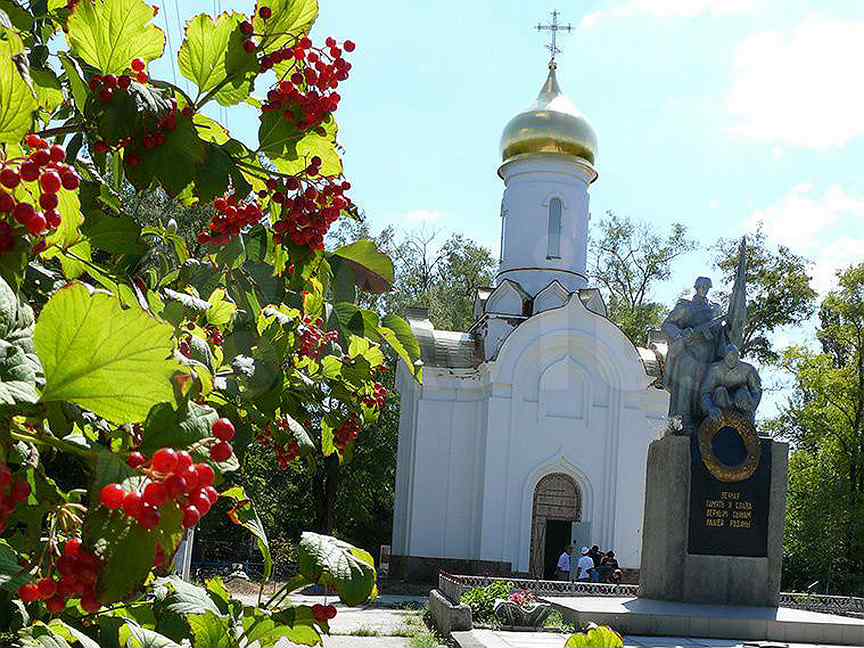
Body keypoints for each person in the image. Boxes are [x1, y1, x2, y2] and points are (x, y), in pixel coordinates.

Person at [660, 276, 725, 434]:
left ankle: (705, 421)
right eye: (701, 286)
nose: (703, 289)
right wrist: (681, 334)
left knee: (706, 389)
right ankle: (683, 421)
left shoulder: (714, 309)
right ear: (695, 287)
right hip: (688, 354)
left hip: (709, 356)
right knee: (686, 386)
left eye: (706, 287)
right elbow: (667, 325)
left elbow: (721, 332)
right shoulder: (686, 307)